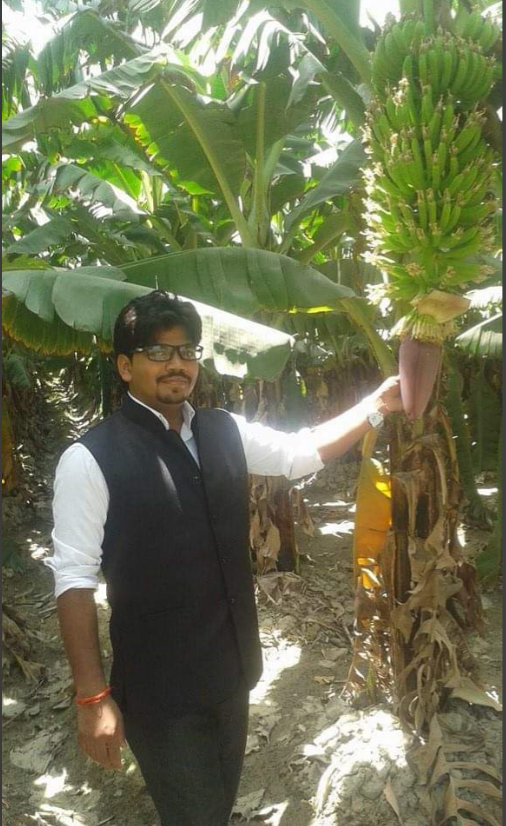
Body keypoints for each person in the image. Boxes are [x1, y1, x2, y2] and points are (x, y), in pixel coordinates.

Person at [46, 291, 403, 826]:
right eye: (158, 352)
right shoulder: (90, 459)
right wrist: (93, 698)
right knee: (194, 814)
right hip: (161, 689)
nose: (176, 364)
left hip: (231, 670)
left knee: (218, 802)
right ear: (124, 366)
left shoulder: (221, 430)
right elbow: (73, 579)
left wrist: (377, 405)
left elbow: (300, 452)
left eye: (187, 351)